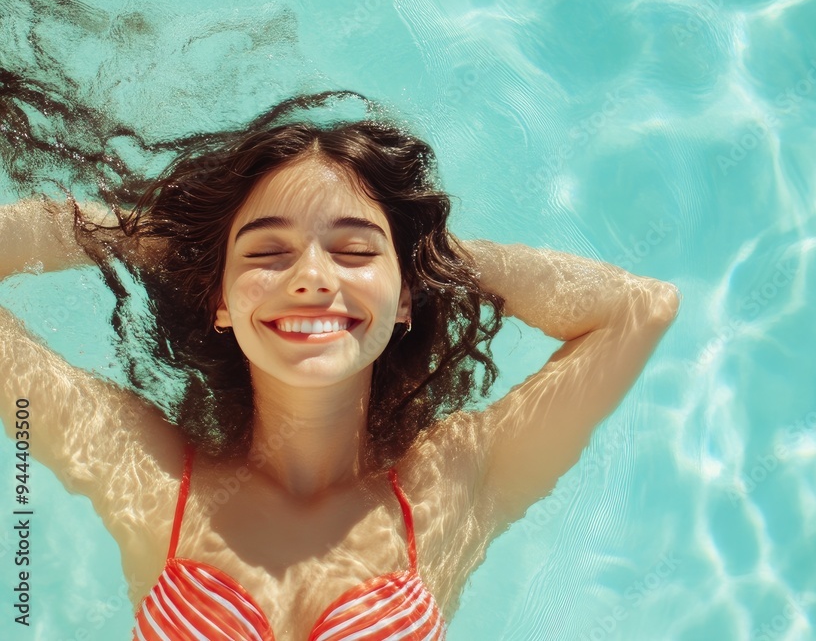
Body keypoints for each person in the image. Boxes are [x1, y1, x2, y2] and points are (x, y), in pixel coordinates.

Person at [0, 91, 680, 640]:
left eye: (354, 251)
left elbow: (638, 309)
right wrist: (167, 243)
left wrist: (435, 260)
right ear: (222, 301)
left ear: (407, 296)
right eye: (268, 253)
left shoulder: (452, 484)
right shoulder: (151, 478)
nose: (313, 277)